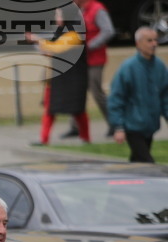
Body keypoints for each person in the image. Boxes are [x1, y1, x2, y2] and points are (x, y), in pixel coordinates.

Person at [27, 16, 91, 145]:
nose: (56, 18)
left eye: (59, 15)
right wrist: (39, 45)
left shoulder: (75, 34)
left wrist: (37, 39)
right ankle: (44, 139)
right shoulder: (60, 32)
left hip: (73, 79)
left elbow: (57, 48)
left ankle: (86, 138)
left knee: (78, 110)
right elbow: (52, 52)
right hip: (57, 79)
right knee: (50, 109)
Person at [108, 27, 168, 163]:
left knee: (138, 162)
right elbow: (116, 98)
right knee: (147, 162)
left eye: (155, 40)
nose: (154, 44)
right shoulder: (128, 68)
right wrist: (118, 127)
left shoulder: (160, 67)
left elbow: (165, 96)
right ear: (138, 43)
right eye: (149, 40)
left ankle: (129, 182)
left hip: (150, 126)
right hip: (133, 126)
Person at [63, 0, 114, 138]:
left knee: (97, 92)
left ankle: (114, 124)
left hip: (95, 60)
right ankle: (75, 127)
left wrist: (89, 46)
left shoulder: (97, 9)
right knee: (77, 92)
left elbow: (108, 31)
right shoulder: (78, 10)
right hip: (80, 60)